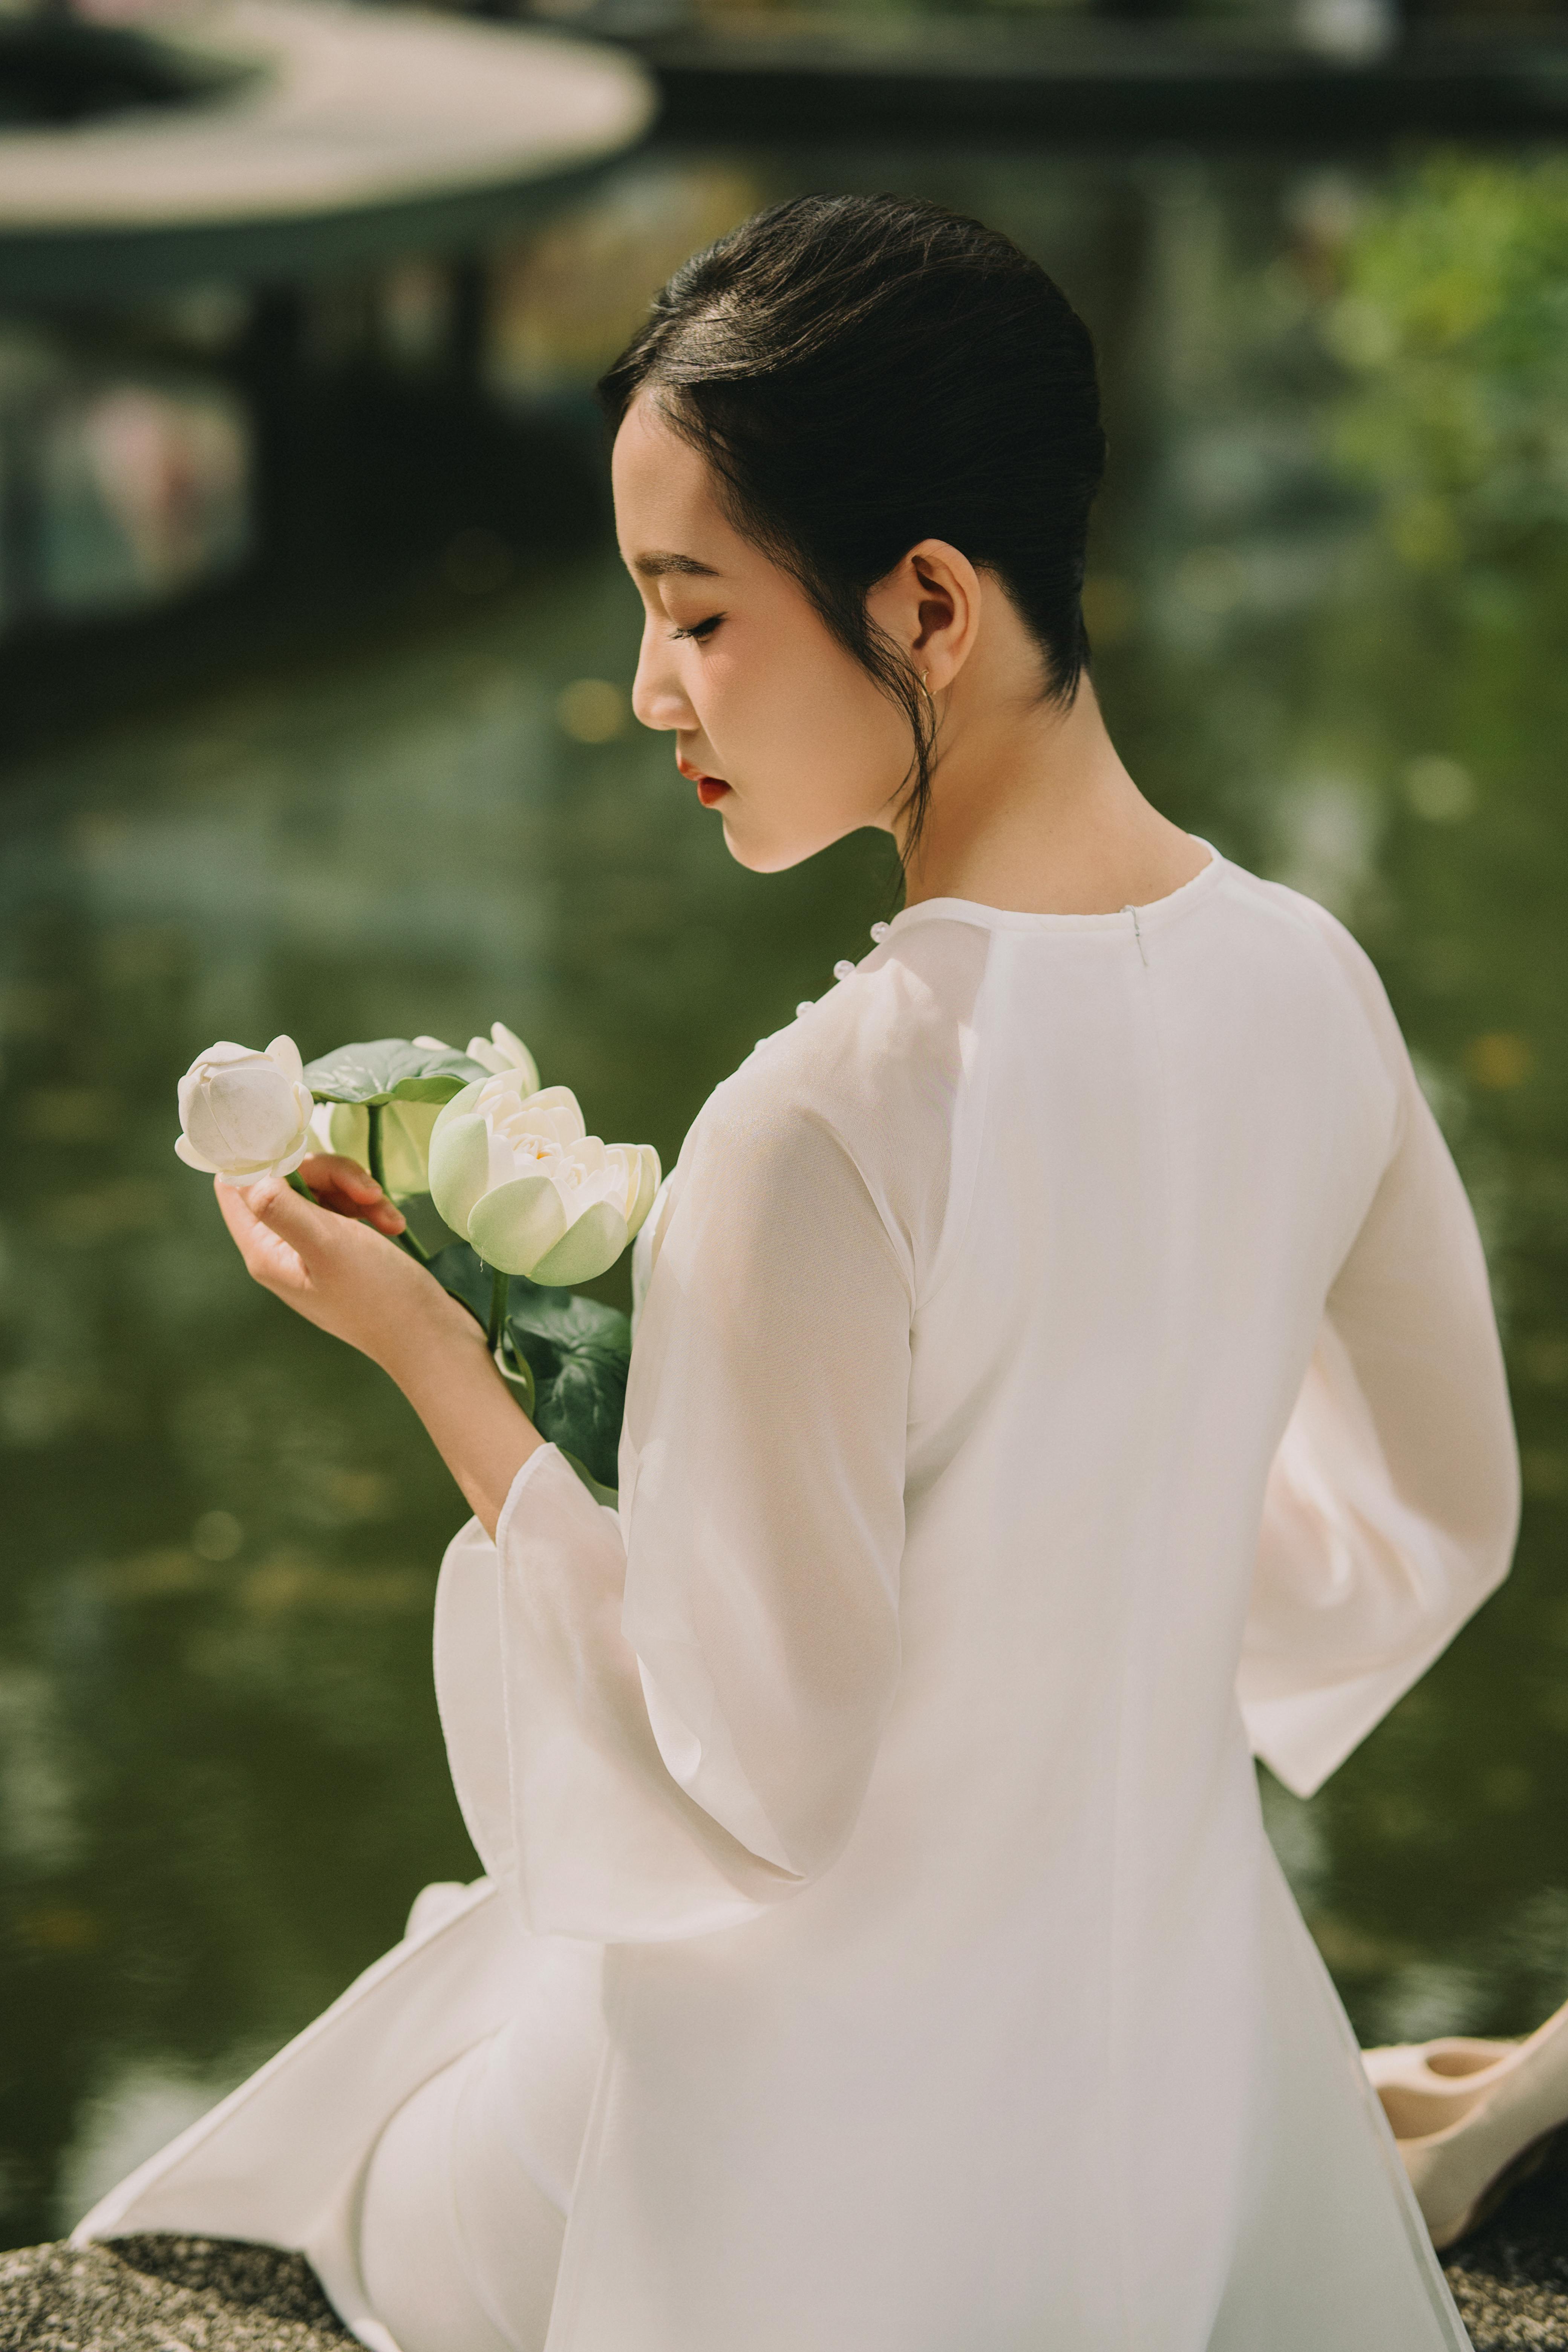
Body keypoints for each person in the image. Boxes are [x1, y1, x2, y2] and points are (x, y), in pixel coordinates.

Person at [77, 194, 1519, 2352]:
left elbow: (754, 1795)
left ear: (927, 601)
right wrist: (1081, 1610)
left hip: (829, 2174)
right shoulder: (1309, 983)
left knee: (357, 2169)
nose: (651, 687)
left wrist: (439, 1359)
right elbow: (1438, 1517)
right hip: (1195, 2095)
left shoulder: (826, 1120)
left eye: (700, 614)